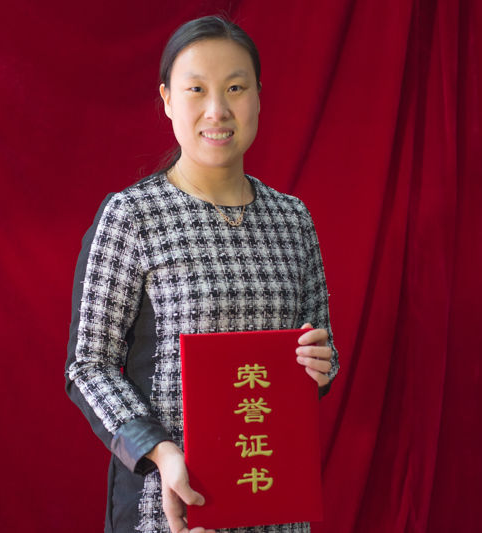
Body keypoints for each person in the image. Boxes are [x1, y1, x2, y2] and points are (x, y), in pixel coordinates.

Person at [65, 15, 340, 533]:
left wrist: (320, 365)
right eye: (196, 89)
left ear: (258, 97)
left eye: (235, 88)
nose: (218, 110)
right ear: (168, 99)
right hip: (168, 504)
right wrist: (160, 450)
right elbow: (88, 366)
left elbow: (319, 356)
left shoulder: (292, 219)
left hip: (271, 501)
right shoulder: (133, 216)